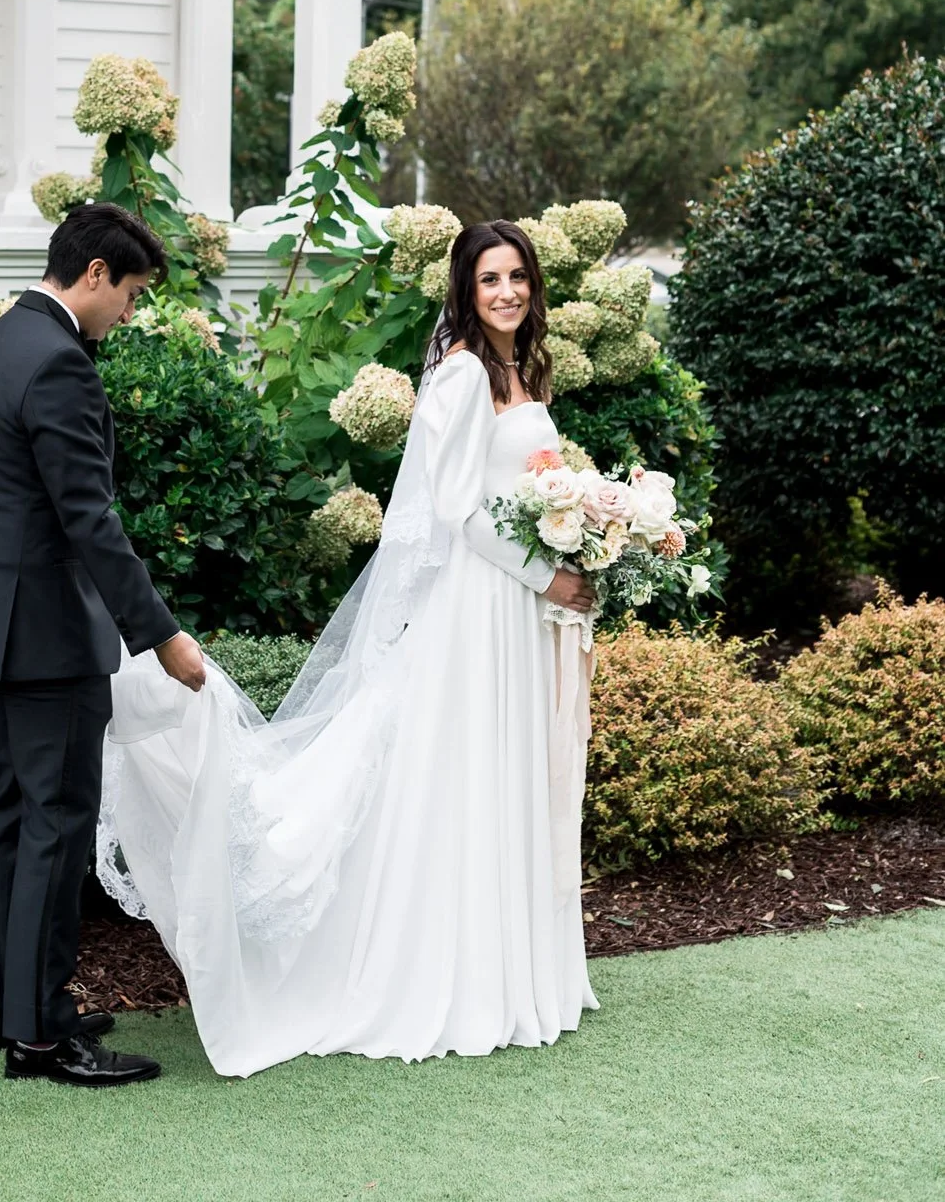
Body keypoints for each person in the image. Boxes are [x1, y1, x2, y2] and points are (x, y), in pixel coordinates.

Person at [97, 219, 597, 1077]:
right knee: (458, 783)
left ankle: (516, 971)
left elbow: (516, 488)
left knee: (503, 776)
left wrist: (587, 531)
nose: (507, 292)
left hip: (516, 612)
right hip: (480, 610)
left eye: (517, 276)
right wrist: (543, 576)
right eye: (489, 280)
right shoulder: (462, 375)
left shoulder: (522, 367)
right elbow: (454, 512)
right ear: (463, 292)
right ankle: (446, 975)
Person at [0, 202, 207, 1088]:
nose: (128, 311)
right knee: (53, 827)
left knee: (10, 817)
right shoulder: (58, 362)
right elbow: (87, 518)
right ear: (94, 274)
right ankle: (44, 1033)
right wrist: (160, 635)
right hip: (49, 632)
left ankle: (2, 1007)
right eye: (129, 292)